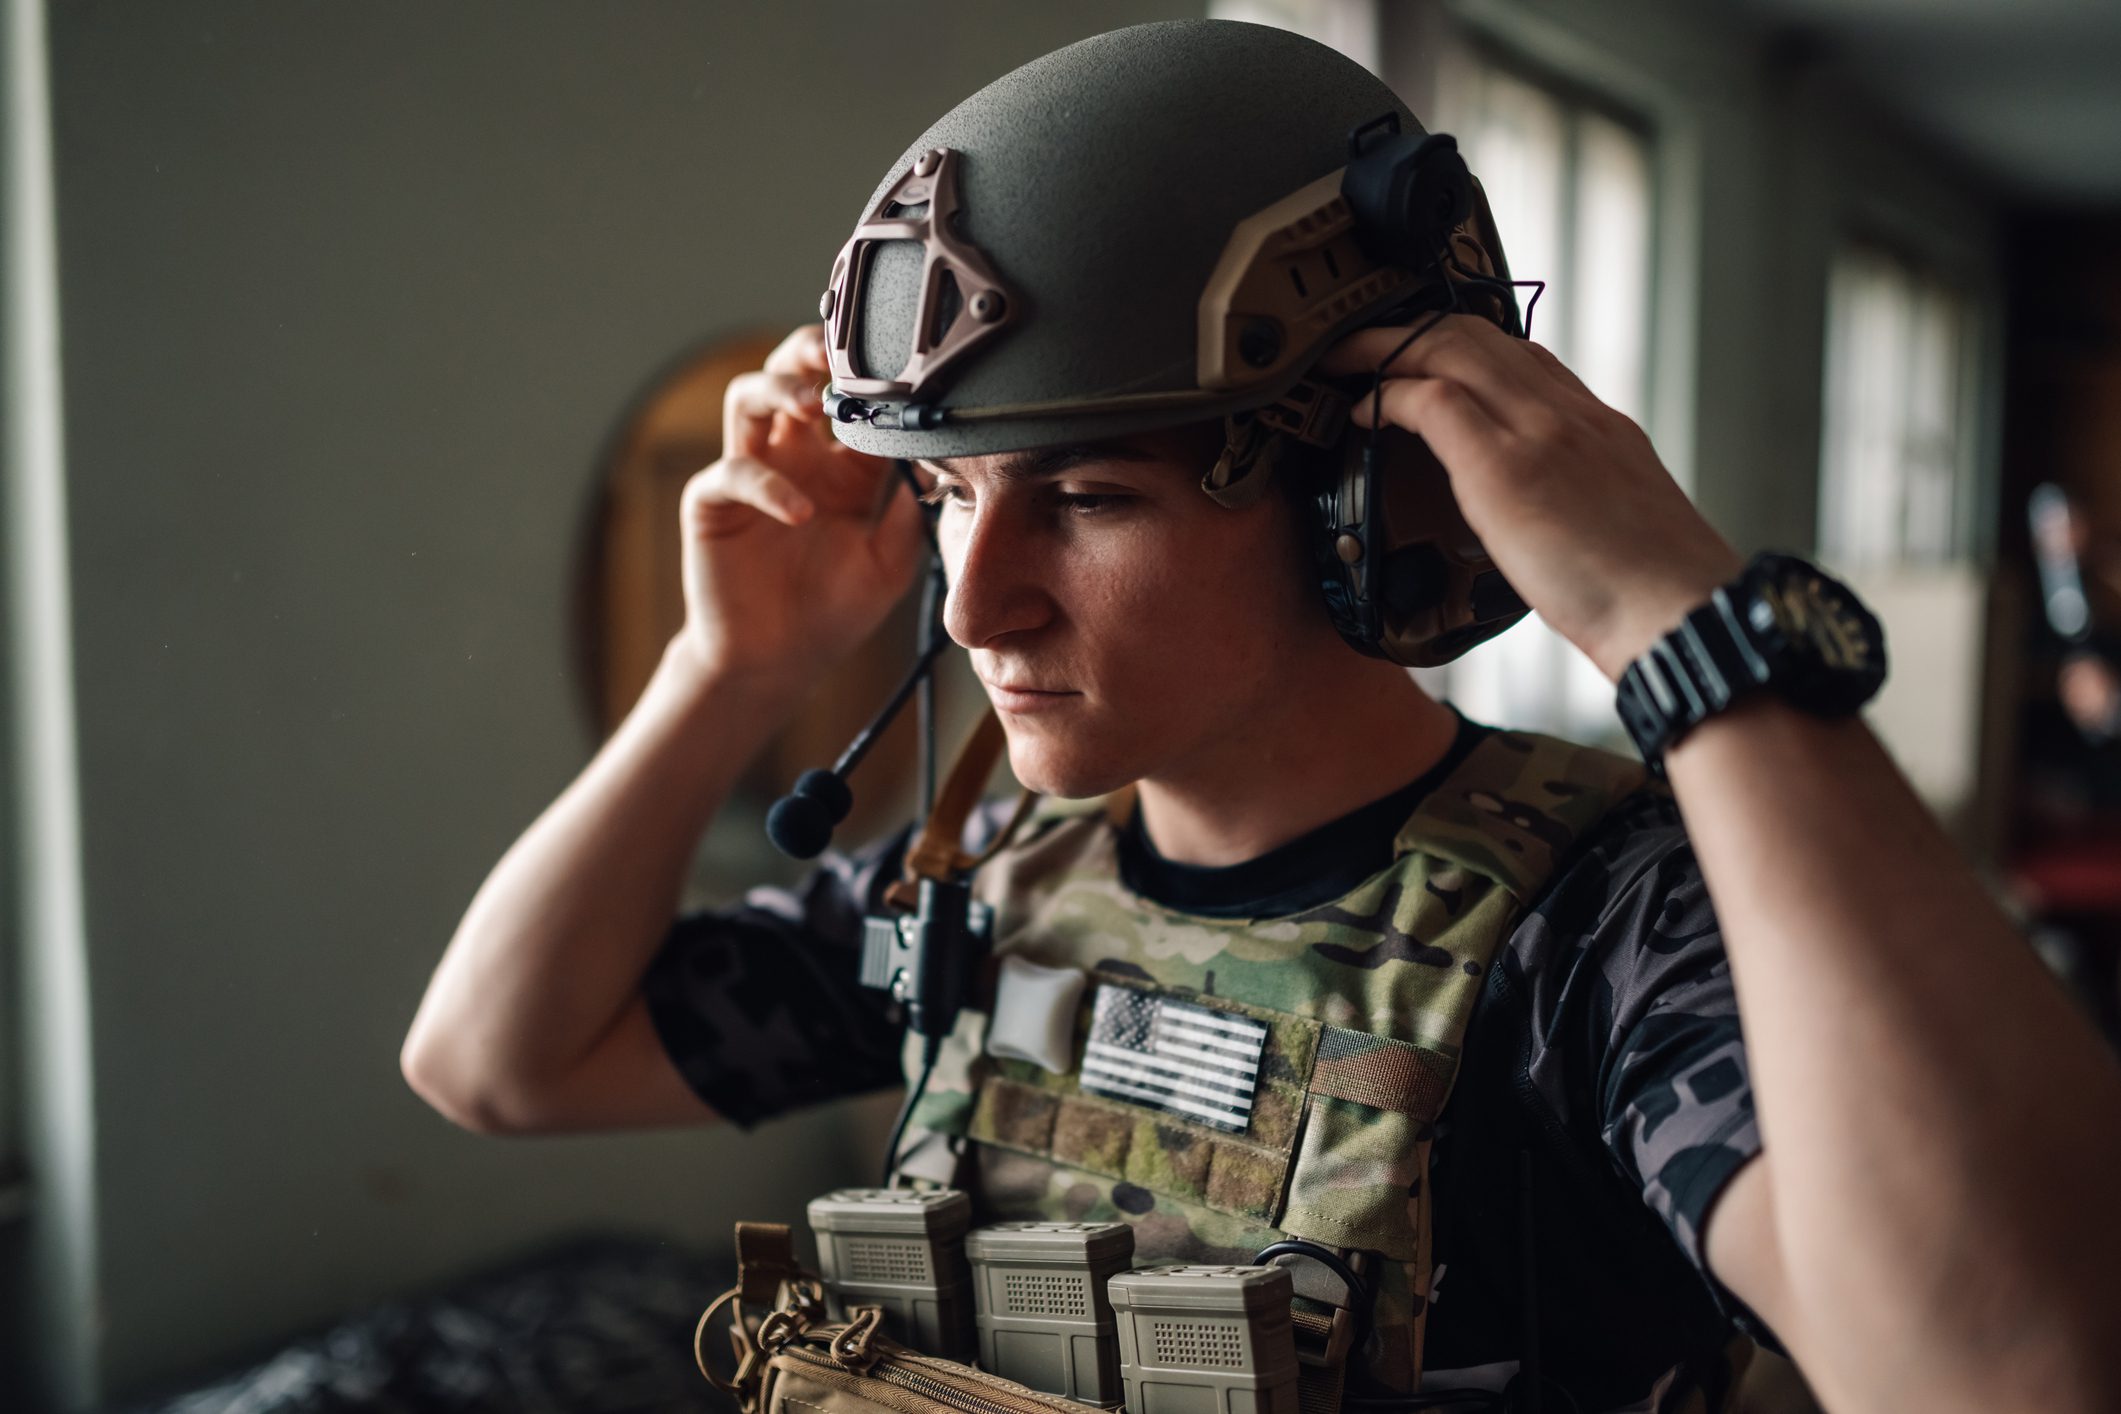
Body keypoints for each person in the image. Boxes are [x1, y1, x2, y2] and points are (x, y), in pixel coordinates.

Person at [401, 21, 2121, 1414]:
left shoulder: (1602, 940)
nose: (974, 602)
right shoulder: (992, 878)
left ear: (1369, 497)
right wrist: (728, 671)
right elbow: (498, 1060)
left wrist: (1677, 619)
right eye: (947, 498)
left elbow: (2010, 1369)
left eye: (1085, 497)